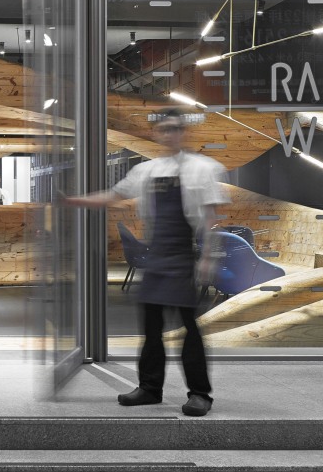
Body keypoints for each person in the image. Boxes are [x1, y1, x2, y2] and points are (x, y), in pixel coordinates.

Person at [65, 108, 228, 416]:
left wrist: (207, 258)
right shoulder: (146, 171)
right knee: (150, 327)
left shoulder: (204, 169)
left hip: (182, 255)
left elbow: (210, 218)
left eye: (174, 129)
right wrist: (78, 201)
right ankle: (150, 388)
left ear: (183, 132)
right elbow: (113, 195)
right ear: (157, 134)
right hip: (157, 257)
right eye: (164, 129)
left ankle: (200, 394)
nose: (169, 134)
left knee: (189, 329)